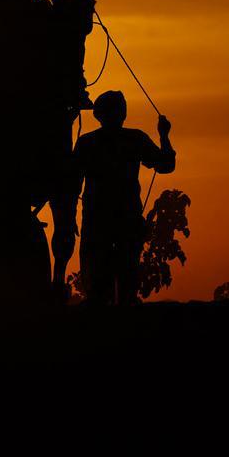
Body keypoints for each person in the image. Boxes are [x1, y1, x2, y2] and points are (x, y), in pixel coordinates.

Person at [66, 91, 175, 305]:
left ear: (98, 115)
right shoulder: (134, 139)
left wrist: (69, 218)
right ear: (122, 113)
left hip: (98, 218)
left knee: (98, 283)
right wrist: (164, 135)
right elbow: (166, 165)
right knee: (126, 278)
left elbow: (72, 185)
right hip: (125, 217)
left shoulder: (88, 143)